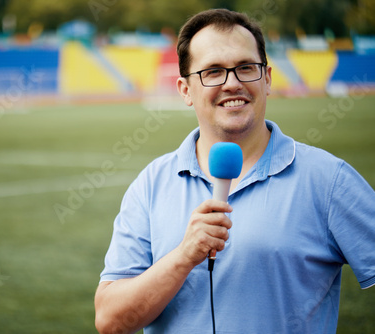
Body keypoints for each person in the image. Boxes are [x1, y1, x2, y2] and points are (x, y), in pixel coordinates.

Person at [94, 8, 375, 334]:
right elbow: (110, 321)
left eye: (246, 68)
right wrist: (185, 256)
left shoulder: (329, 179)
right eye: (213, 71)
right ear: (185, 90)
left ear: (267, 78)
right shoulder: (150, 184)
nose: (233, 83)